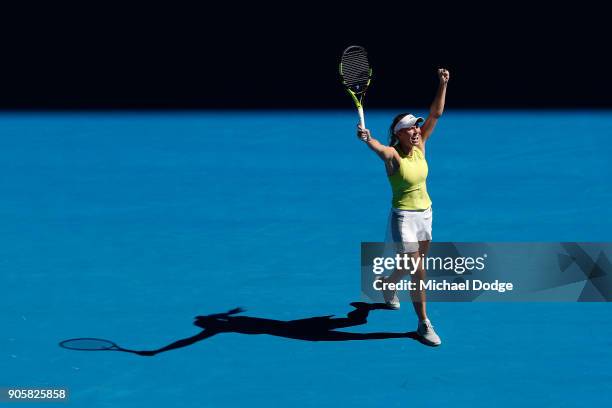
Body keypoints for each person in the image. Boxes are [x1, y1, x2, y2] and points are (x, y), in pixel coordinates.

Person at [356, 68, 449, 346]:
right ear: (399, 134)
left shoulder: (421, 147)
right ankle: (423, 324)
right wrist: (368, 139)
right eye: (410, 127)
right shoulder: (393, 156)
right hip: (405, 219)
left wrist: (442, 84)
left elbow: (435, 114)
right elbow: (380, 149)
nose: (416, 130)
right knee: (418, 270)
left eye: (416, 126)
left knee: (413, 264)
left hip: (426, 215)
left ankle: (387, 284)